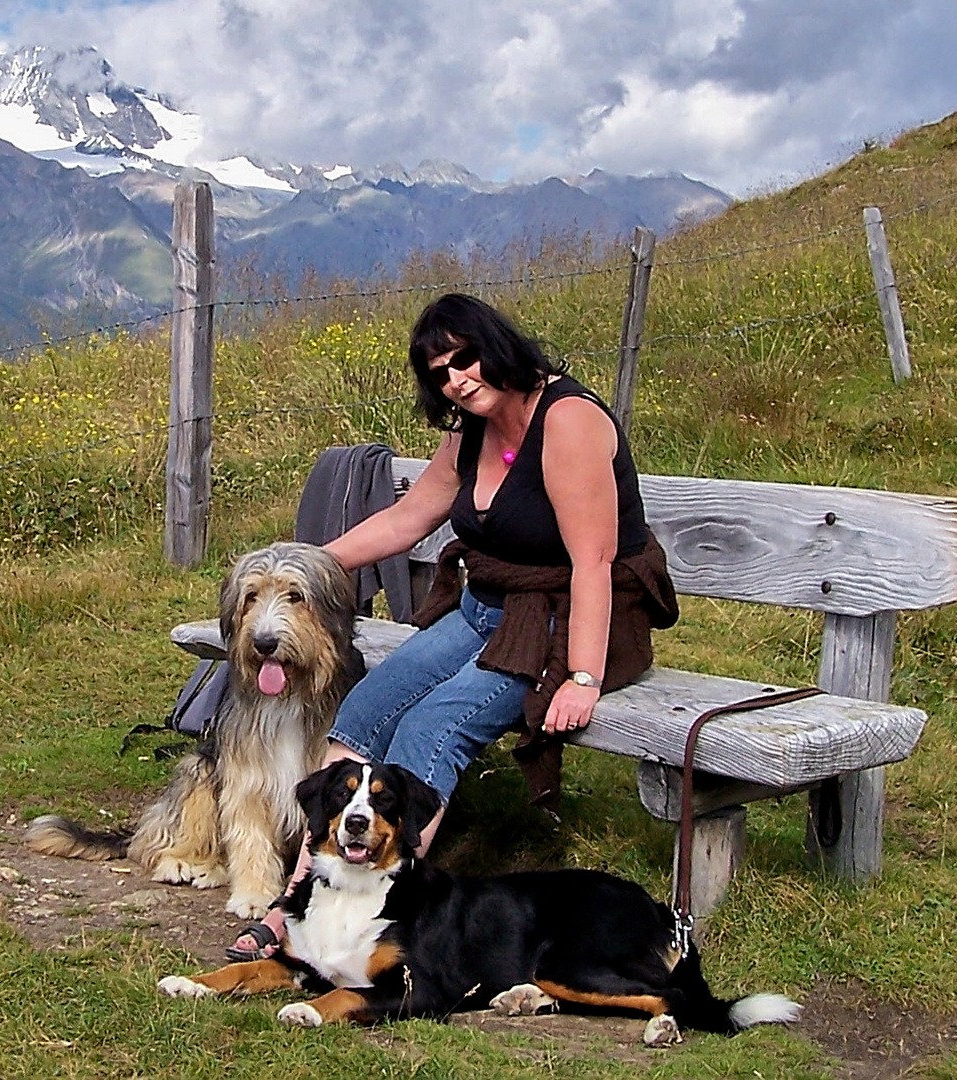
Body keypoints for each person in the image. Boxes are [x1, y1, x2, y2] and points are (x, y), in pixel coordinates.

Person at [227, 292, 677, 961]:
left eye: (465, 360)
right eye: (439, 373)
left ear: (495, 348)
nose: (457, 379)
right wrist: (306, 565)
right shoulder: (472, 429)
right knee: (362, 713)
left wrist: (582, 675)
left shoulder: (569, 421)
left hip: (567, 622)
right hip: (485, 607)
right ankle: (300, 901)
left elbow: (594, 560)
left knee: (428, 726)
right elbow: (407, 522)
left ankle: (387, 908)